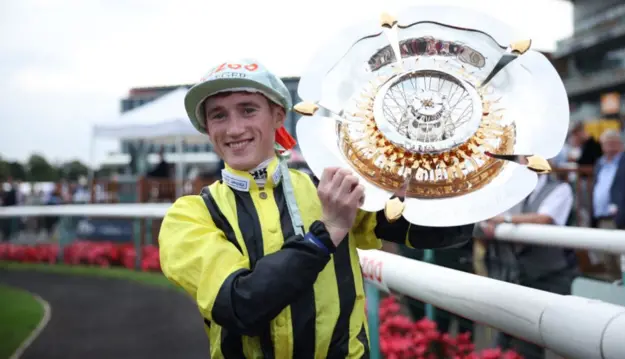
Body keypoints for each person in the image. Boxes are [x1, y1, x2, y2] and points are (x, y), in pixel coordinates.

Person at [158, 59, 474, 359]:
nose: (234, 128)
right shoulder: (189, 215)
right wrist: (326, 233)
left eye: (248, 110)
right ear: (206, 128)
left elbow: (438, 233)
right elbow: (241, 306)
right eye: (219, 115)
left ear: (278, 116)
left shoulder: (328, 184)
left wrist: (440, 165)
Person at [475, 163, 578, 359]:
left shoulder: (560, 189)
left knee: (536, 340)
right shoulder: (508, 189)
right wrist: (486, 224)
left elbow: (545, 219)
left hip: (546, 277)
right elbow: (484, 219)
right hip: (507, 275)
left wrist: (504, 220)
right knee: (503, 336)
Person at [591, 129, 625, 277]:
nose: (610, 146)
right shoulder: (600, 163)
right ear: (602, 145)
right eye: (607, 143)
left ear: (620, 144)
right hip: (602, 218)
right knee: (607, 260)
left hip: (622, 220)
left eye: (613, 142)